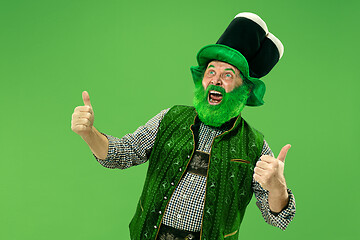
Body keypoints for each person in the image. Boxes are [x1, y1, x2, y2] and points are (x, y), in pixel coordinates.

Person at [71, 12, 296, 240]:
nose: (216, 80)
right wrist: (89, 134)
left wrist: (277, 187)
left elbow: (277, 217)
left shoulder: (255, 146)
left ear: (245, 90)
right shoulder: (169, 118)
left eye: (228, 75)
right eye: (211, 71)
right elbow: (123, 153)